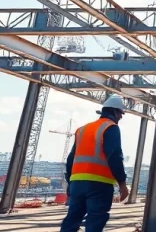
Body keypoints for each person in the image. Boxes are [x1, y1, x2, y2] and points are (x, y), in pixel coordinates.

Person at [60, 95, 129, 232]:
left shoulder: (82, 129)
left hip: (77, 183)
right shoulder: (111, 127)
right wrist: (122, 183)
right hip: (99, 184)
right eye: (121, 114)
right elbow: (114, 156)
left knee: (72, 219)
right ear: (115, 112)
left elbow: (71, 158)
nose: (121, 117)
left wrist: (70, 182)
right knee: (95, 221)